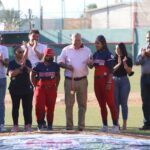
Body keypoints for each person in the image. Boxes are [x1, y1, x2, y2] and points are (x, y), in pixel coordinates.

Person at [58, 33, 92, 131]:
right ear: (71, 40)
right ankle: (69, 127)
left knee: (82, 105)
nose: (77, 42)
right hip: (70, 81)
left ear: (81, 40)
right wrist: (67, 66)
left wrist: (90, 64)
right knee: (69, 105)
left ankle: (81, 127)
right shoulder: (66, 50)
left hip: (82, 81)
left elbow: (91, 65)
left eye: (79, 40)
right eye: (75, 40)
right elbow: (59, 62)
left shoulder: (87, 50)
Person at [91, 35, 119, 133]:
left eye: (98, 43)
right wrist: (89, 62)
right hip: (97, 81)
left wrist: (109, 81)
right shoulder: (95, 54)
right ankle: (105, 125)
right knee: (102, 105)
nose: (96, 45)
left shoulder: (108, 55)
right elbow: (91, 66)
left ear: (103, 43)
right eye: (95, 43)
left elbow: (111, 70)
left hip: (106, 81)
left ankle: (115, 125)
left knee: (111, 103)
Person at [22, 29, 47, 127]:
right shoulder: (23, 47)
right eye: (33, 36)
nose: (35, 38)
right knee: (28, 101)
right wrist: (27, 49)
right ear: (29, 36)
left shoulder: (43, 47)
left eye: (37, 37)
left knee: (41, 100)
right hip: (27, 75)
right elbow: (22, 61)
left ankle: (41, 121)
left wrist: (34, 49)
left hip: (40, 76)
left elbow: (42, 58)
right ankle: (28, 123)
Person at [31, 48, 60, 131]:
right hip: (41, 88)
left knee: (51, 107)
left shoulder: (55, 65)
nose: (51, 57)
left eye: (52, 55)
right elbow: (32, 74)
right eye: (49, 55)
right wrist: (34, 85)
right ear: (45, 56)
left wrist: (56, 86)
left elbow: (58, 76)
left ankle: (50, 125)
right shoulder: (38, 65)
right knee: (39, 107)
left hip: (51, 88)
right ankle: (40, 124)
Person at [7, 46, 33, 132]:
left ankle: (27, 125)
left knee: (27, 108)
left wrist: (25, 66)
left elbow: (30, 71)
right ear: (15, 53)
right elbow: (11, 74)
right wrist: (20, 68)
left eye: (23, 52)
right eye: (20, 52)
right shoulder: (11, 63)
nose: (22, 53)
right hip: (15, 89)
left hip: (26, 88)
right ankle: (15, 125)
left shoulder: (27, 61)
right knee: (15, 107)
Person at [113, 43, 133, 130]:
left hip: (124, 81)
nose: (117, 50)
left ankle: (125, 123)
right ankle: (117, 123)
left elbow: (129, 72)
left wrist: (124, 64)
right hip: (114, 81)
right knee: (115, 104)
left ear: (122, 49)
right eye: (116, 49)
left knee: (124, 103)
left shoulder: (128, 59)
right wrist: (119, 63)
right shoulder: (113, 58)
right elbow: (112, 70)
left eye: (118, 48)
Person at [136, 31, 150, 130]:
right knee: (145, 101)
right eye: (147, 38)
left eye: (149, 37)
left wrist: (146, 53)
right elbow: (137, 62)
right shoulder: (142, 49)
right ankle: (147, 123)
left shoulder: (145, 50)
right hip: (144, 78)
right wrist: (142, 55)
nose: (147, 39)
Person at [0, 35, 9, 132]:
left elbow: (7, 64)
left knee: (1, 102)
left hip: (1, 77)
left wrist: (1, 60)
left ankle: (1, 124)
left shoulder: (4, 48)